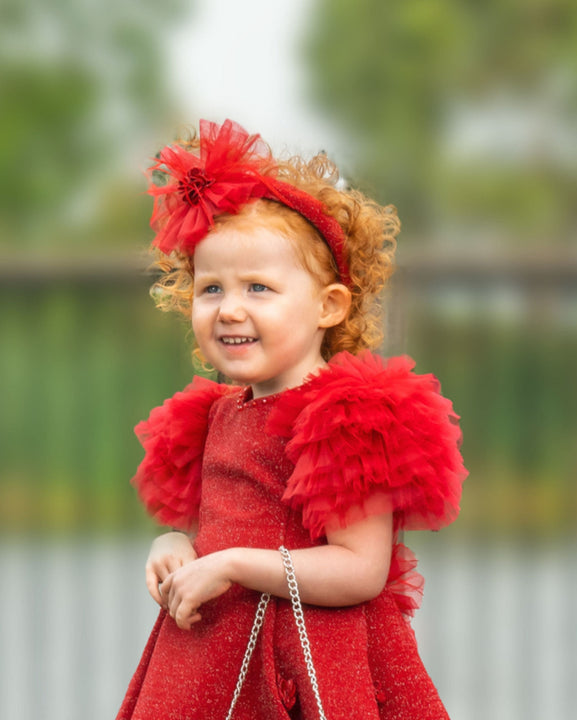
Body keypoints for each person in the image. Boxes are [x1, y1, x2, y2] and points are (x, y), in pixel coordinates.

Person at [116, 119, 466, 720]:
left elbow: (360, 569)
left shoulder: (347, 417)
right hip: (209, 661)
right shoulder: (216, 415)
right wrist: (179, 546)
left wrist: (229, 566)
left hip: (308, 662)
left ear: (328, 306)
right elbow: (218, 528)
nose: (230, 309)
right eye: (210, 289)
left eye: (258, 288)